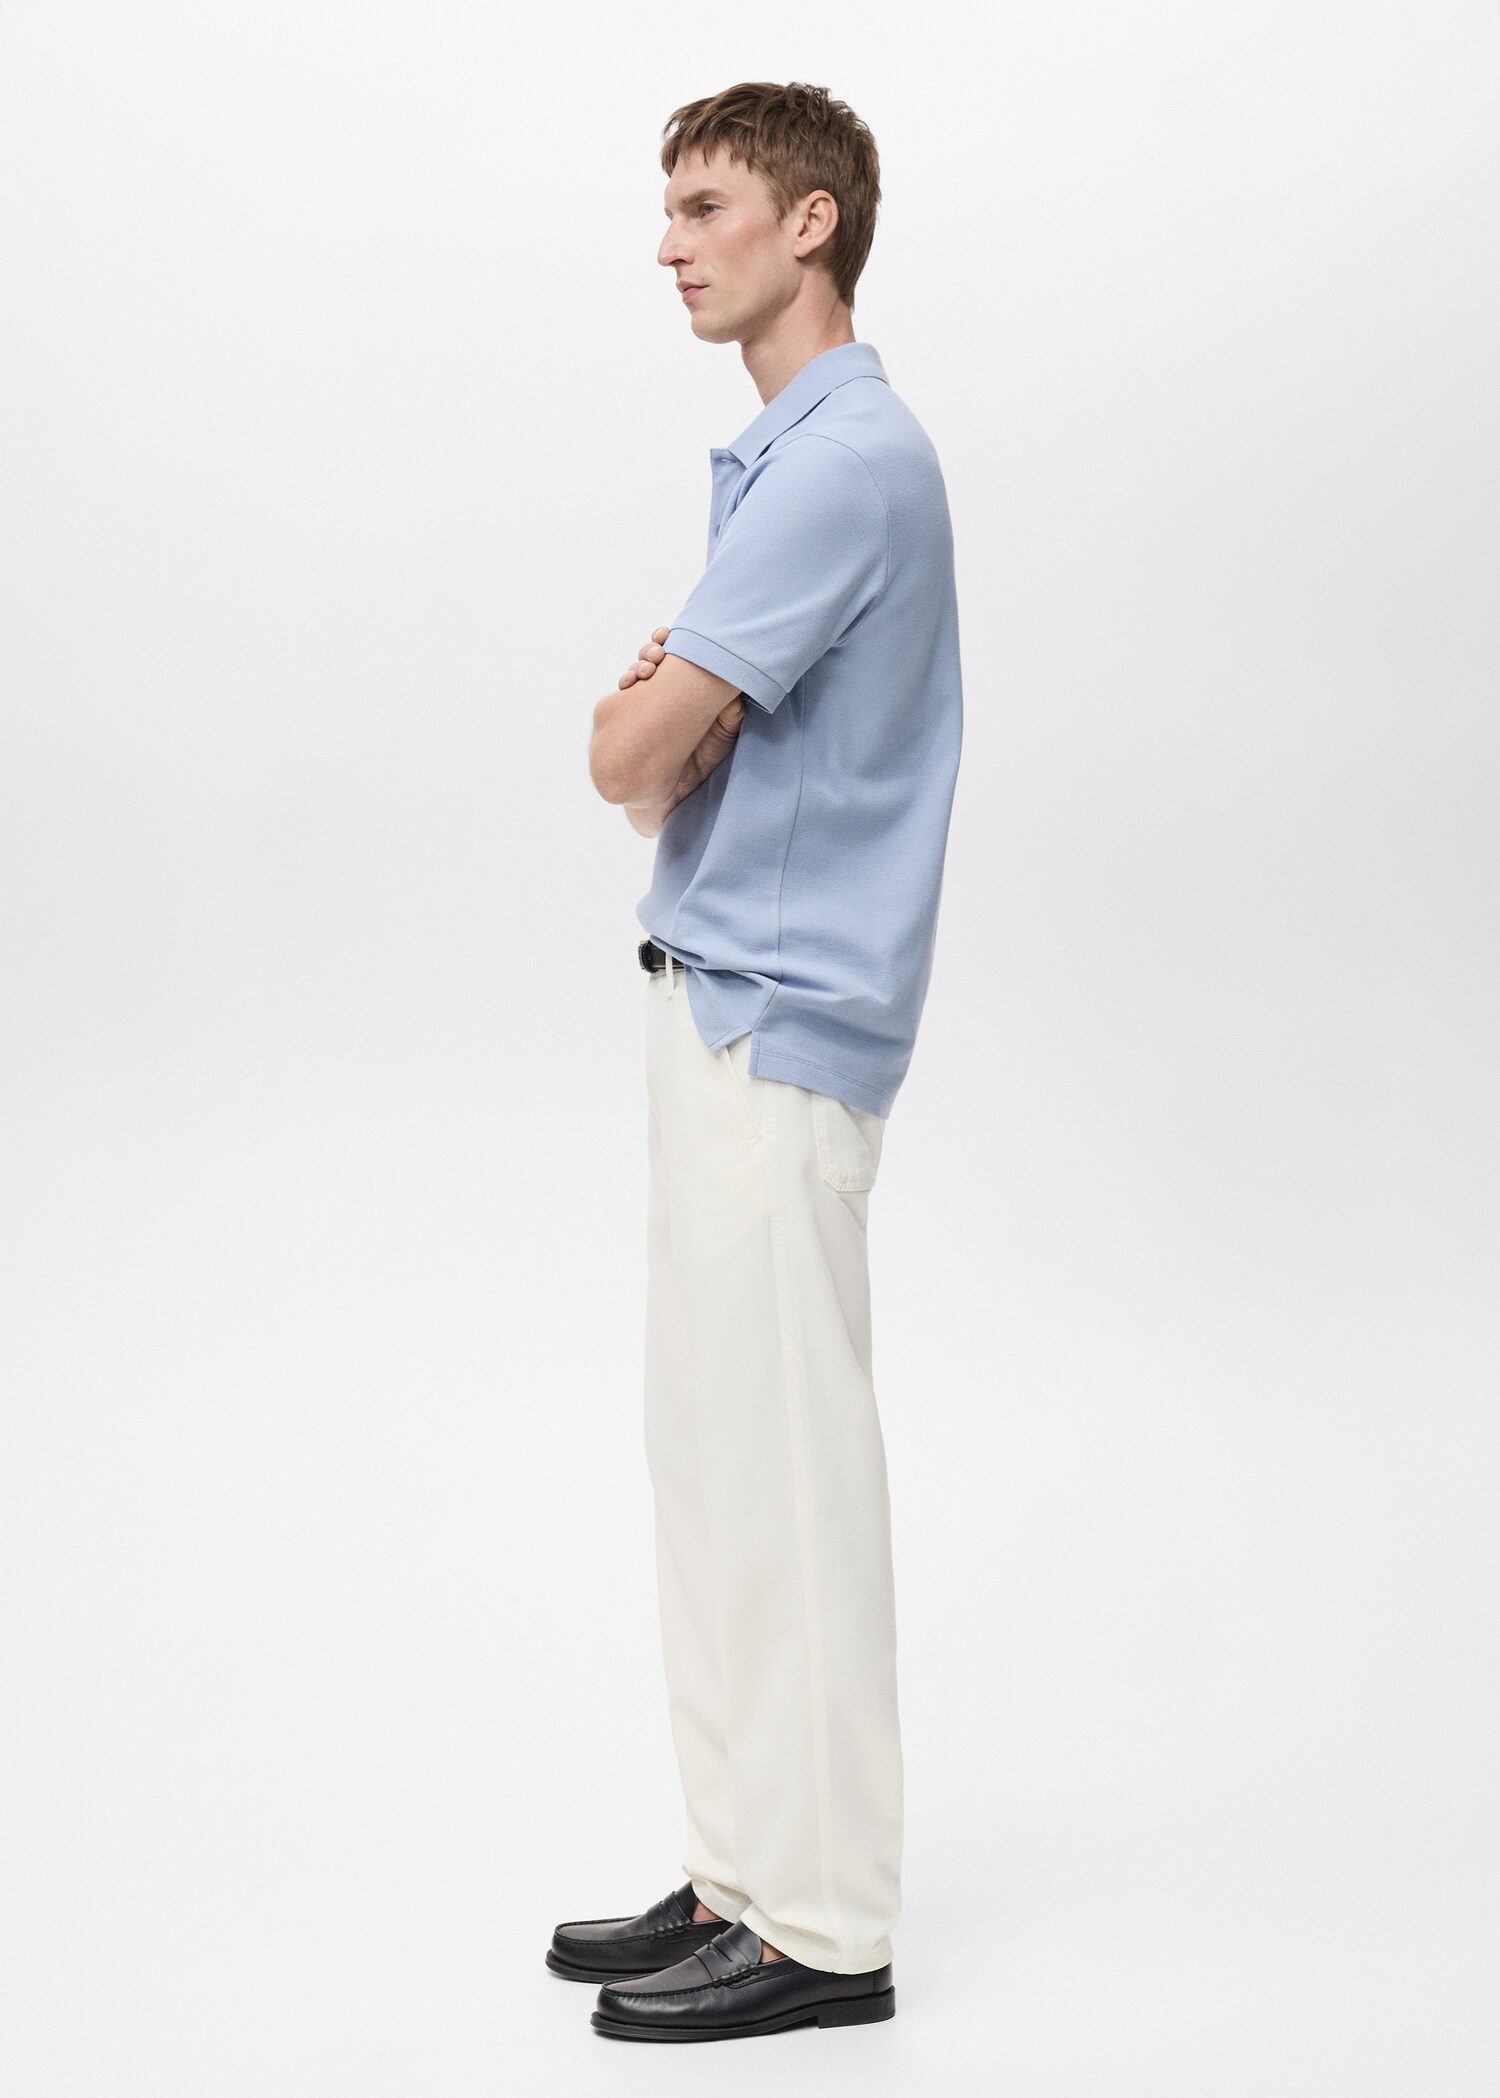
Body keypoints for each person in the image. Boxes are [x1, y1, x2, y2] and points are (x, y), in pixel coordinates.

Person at [555, 79, 963, 2043]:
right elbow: (666, 774)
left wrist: (656, 706)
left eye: (708, 204)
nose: (670, 242)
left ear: (814, 223)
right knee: (718, 1469)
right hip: (725, 1005)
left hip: (778, 1024)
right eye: (670, 208)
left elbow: (628, 761)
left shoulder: (842, 466)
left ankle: (824, 1924)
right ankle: (742, 1871)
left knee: (787, 1483)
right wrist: (670, 723)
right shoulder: (789, 460)